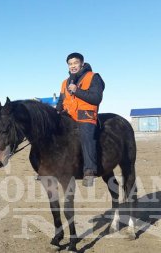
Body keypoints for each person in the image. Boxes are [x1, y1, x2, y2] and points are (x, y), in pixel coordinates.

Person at [56, 52, 105, 187]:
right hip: (68, 115)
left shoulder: (93, 77)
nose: (73, 66)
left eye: (75, 63)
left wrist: (76, 90)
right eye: (70, 64)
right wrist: (56, 111)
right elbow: (61, 100)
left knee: (86, 135)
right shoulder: (65, 82)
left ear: (82, 64)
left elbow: (96, 98)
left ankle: (89, 170)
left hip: (86, 115)